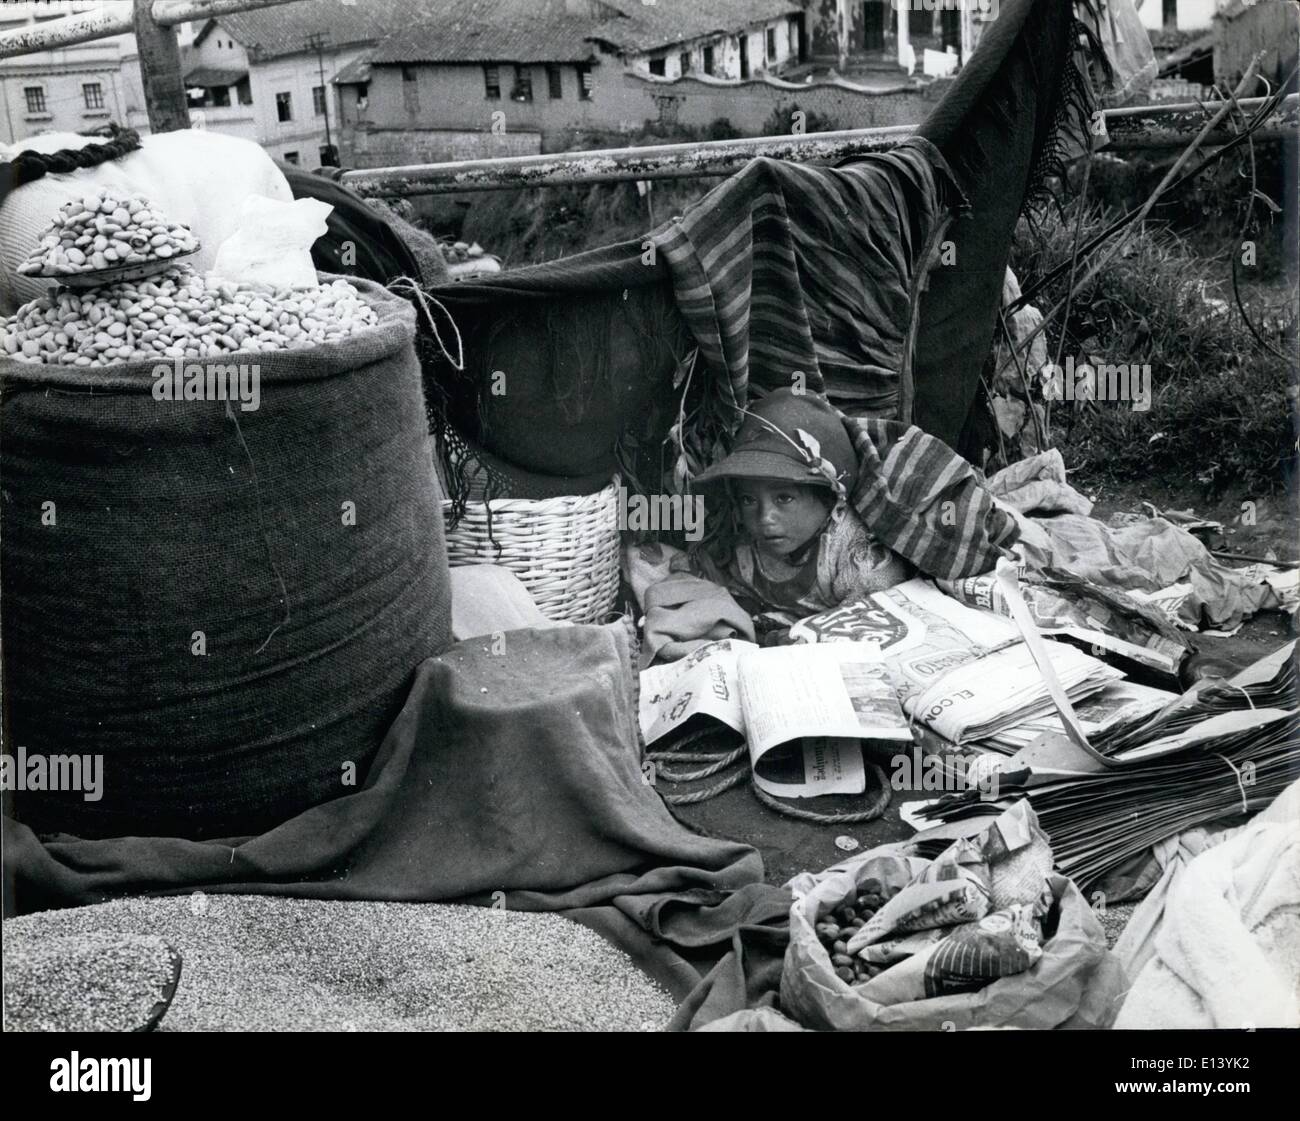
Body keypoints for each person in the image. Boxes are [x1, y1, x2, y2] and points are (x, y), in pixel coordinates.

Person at [691, 388, 912, 620]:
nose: (765, 517)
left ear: (830, 499)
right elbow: (739, 594)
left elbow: (868, 618)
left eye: (784, 498)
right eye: (749, 500)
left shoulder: (856, 555)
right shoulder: (747, 549)